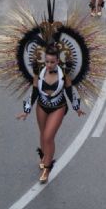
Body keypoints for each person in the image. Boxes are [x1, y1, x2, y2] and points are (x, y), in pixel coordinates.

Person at [16, 45, 85, 183]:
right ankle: (44, 156)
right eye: (47, 61)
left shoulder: (64, 75)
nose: (49, 64)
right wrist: (26, 111)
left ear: (58, 61)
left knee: (48, 137)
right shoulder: (39, 73)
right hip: (41, 107)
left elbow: (70, 93)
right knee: (42, 134)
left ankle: (47, 168)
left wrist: (76, 108)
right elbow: (34, 93)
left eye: (52, 62)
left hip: (58, 107)